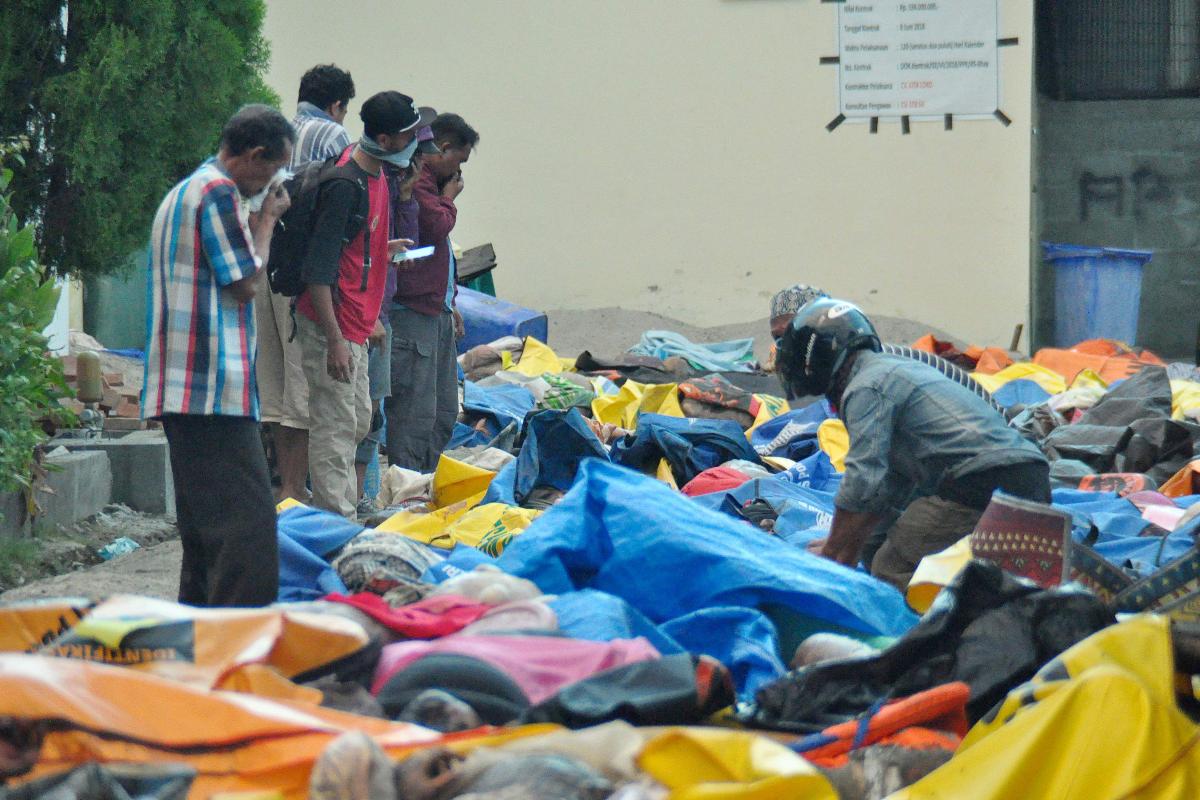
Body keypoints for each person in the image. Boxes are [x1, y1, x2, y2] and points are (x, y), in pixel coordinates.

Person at [775, 298, 1050, 591]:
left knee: (891, 567)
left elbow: (863, 481)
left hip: (978, 483)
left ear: (813, 363)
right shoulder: (892, 368)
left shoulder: (865, 388)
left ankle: (934, 633)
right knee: (881, 543)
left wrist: (832, 553)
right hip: (1030, 475)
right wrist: (850, 546)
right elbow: (889, 486)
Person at [142, 104, 294, 607]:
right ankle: (241, 644)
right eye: (271, 170)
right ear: (252, 155)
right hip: (210, 387)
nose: (270, 183)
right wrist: (268, 220)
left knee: (206, 532)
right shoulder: (218, 191)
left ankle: (197, 644)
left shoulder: (184, 191)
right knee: (248, 530)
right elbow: (248, 282)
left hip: (183, 387)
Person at [295, 91, 433, 517]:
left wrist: (380, 248)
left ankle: (337, 510)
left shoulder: (376, 179)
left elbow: (351, 248)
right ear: (387, 139)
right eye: (408, 135)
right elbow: (318, 272)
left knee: (356, 421)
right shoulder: (345, 183)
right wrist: (335, 340)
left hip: (356, 323)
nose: (414, 144)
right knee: (335, 429)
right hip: (331, 325)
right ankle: (338, 524)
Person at [255, 63, 356, 503]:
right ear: (337, 105)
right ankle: (296, 492)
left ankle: (283, 490)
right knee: (301, 387)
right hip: (301, 276)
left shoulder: (276, 133)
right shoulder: (332, 136)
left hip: (264, 266)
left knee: (275, 381)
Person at [386, 113, 479, 472]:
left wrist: (449, 300)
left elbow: (442, 254)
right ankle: (407, 481)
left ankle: (424, 476)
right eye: (459, 161)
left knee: (443, 410)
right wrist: (450, 198)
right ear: (442, 149)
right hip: (411, 314)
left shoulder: (432, 186)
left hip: (434, 309)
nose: (459, 173)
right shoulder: (419, 182)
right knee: (414, 412)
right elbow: (435, 226)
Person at [354, 122, 438, 511]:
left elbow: (405, 252)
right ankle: (354, 497)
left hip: (381, 312)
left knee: (372, 414)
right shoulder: (368, 183)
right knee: (360, 415)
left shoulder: (395, 190)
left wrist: (406, 198)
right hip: (367, 315)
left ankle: (361, 497)